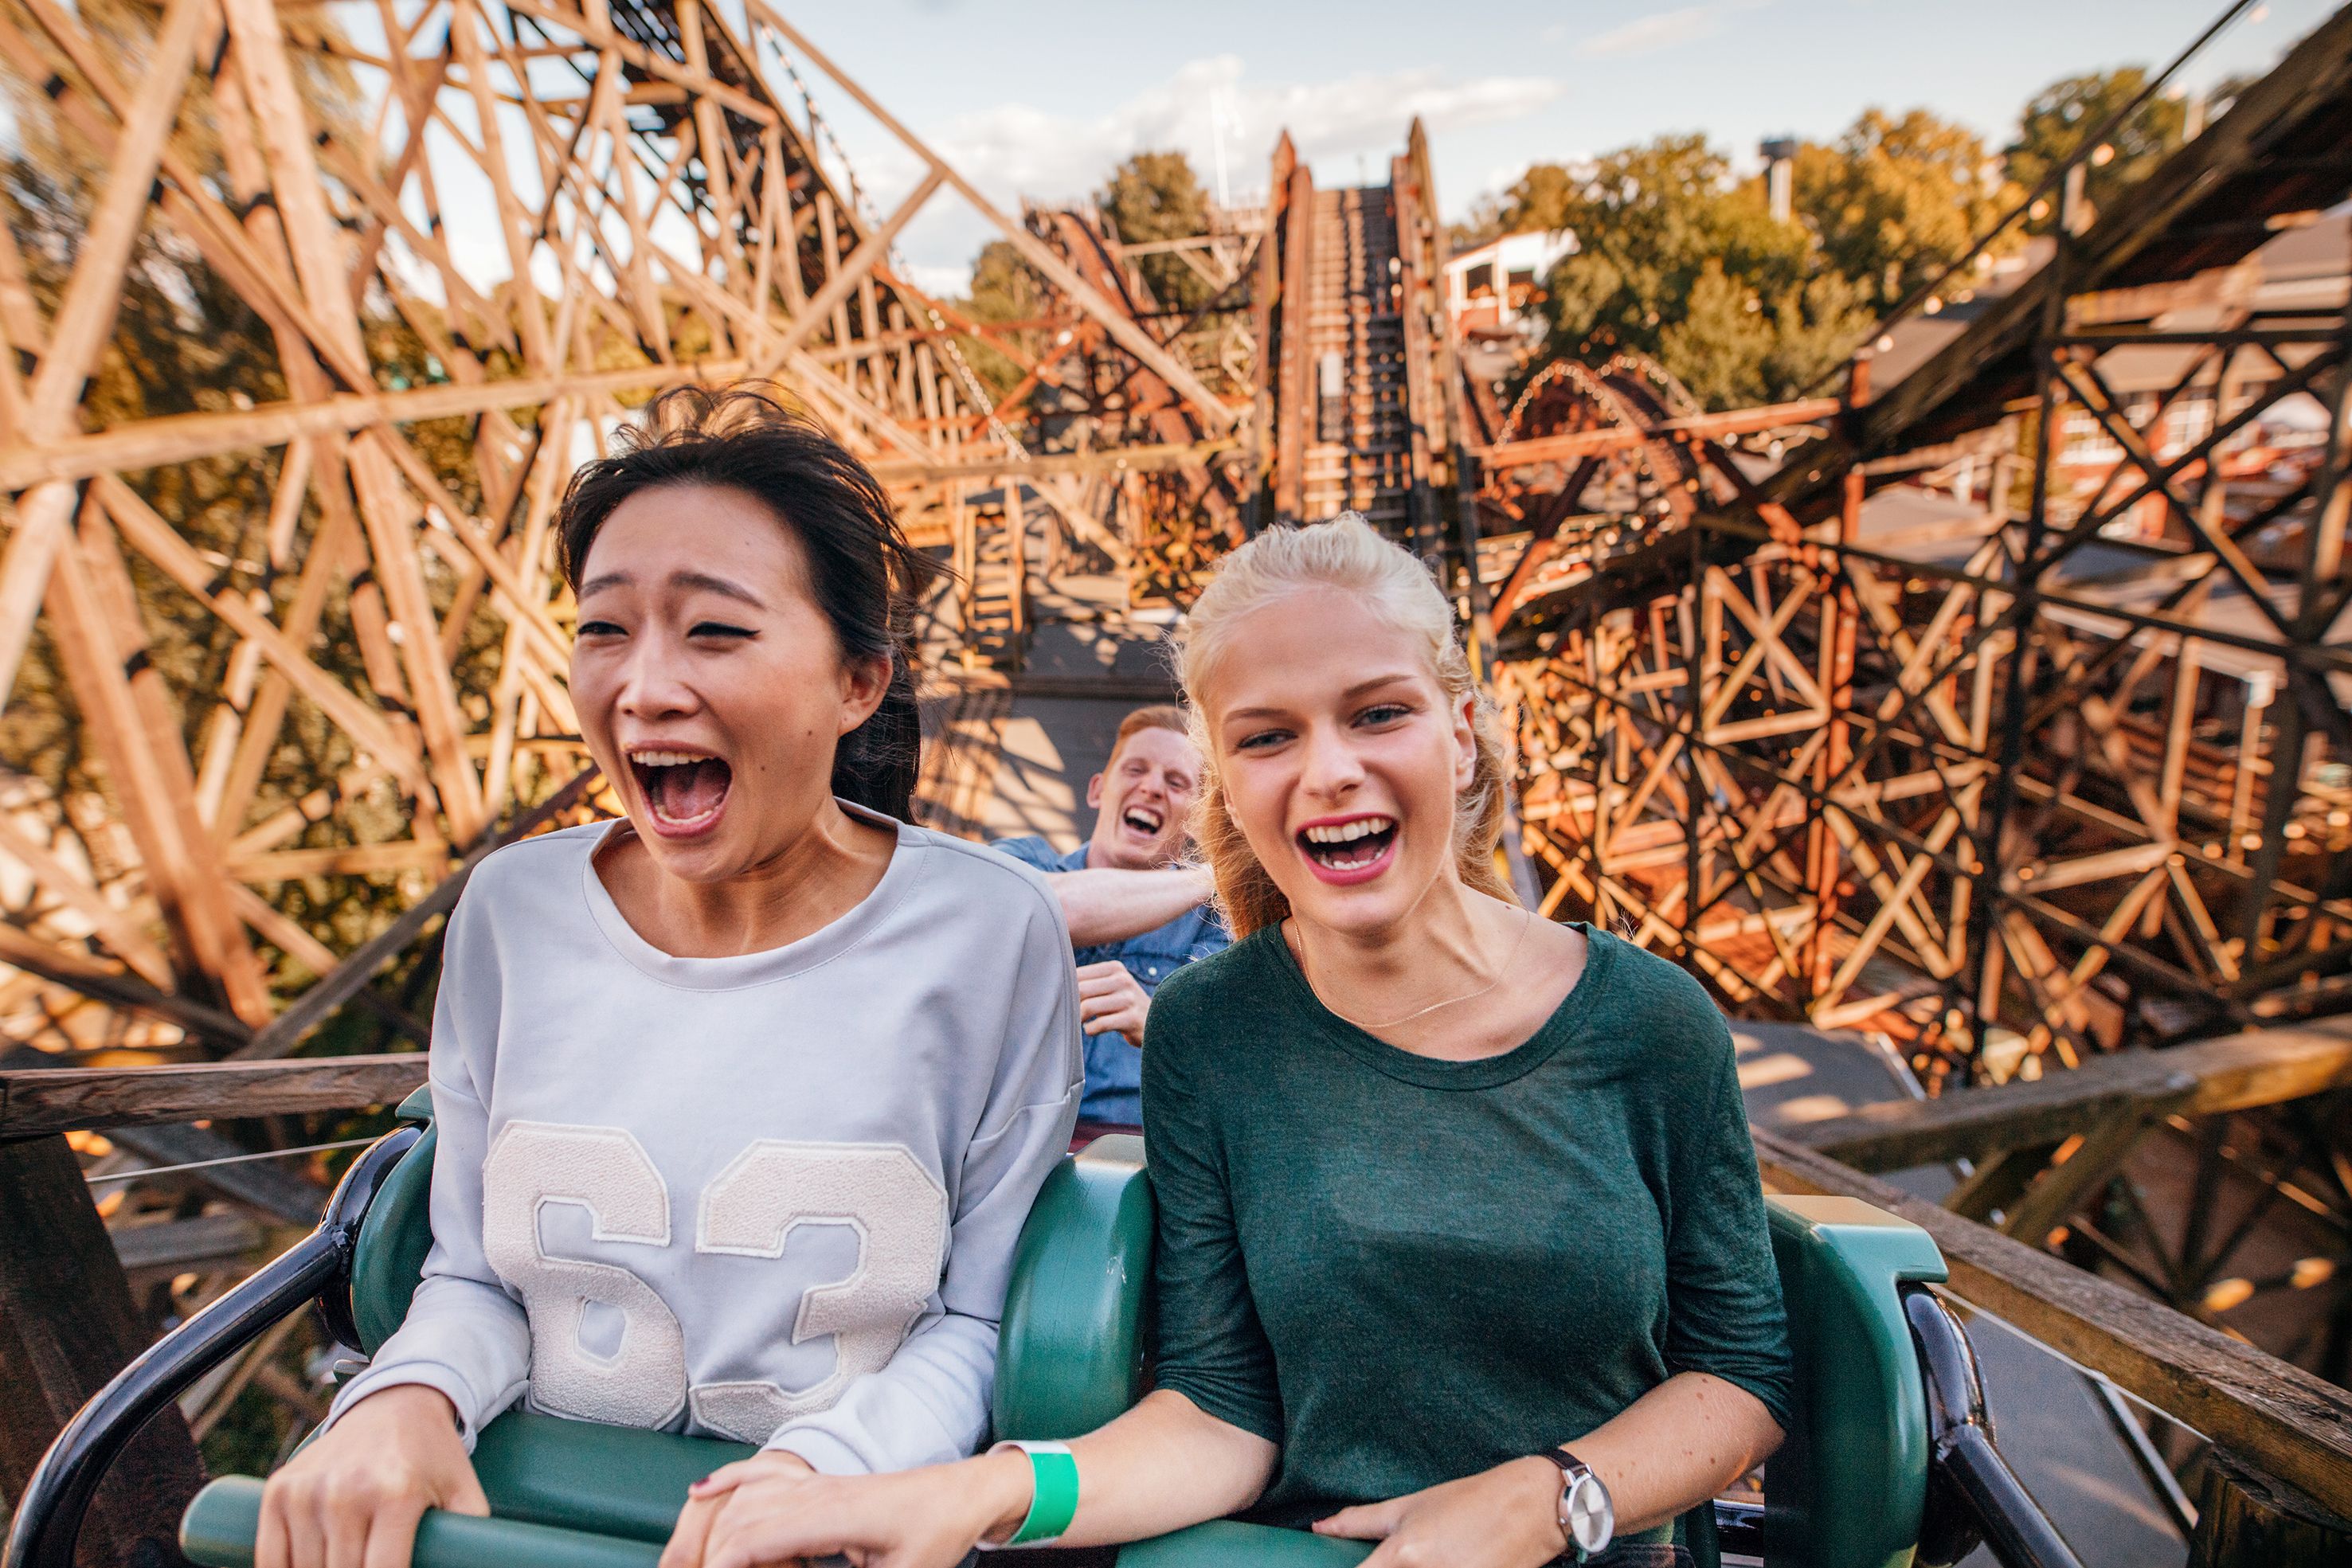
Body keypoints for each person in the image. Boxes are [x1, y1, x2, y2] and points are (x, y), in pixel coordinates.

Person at [685, 513, 1791, 1568]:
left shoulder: (1649, 1022)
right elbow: (1225, 1414)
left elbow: (1742, 1374)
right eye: (1268, 737)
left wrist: (1544, 1496)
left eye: (1376, 714)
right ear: (1232, 783)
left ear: (1460, 737)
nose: (1327, 771)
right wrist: (968, 1491)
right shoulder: (1213, 1034)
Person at [254, 387, 1082, 1568]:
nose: (643, 688)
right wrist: (407, 1393)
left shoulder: (991, 934)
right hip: (534, 1530)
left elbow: (986, 1319)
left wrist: (821, 1476)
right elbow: (478, 1274)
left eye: (715, 632)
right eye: (604, 630)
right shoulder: (510, 913)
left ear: (858, 682)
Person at [992, 706, 1227, 1127]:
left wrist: (1160, 1028)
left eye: (1176, 782)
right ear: (1098, 790)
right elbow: (1042, 908)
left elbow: (1228, 1063)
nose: (1152, 788)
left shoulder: (1212, 924)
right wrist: (1217, 873)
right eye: (1136, 769)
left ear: (1195, 819)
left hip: (1136, 1156)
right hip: (1008, 1144)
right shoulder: (1023, 861)